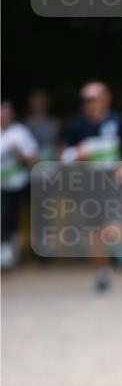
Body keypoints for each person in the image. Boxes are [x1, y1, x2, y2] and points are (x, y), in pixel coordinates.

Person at [60, 82, 122, 291]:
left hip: (113, 181)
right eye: (84, 100)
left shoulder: (119, 121)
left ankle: (117, 245)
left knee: (113, 225)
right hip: (88, 183)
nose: (87, 104)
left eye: (92, 99)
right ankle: (102, 271)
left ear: (105, 99)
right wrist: (75, 154)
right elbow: (63, 155)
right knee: (94, 232)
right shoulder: (76, 126)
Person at [1, 100, 39, 270]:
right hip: (2, 185)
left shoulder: (21, 133)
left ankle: (11, 254)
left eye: (6, 112)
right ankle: (6, 255)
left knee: (15, 217)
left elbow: (32, 160)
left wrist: (19, 155)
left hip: (20, 183)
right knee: (4, 217)